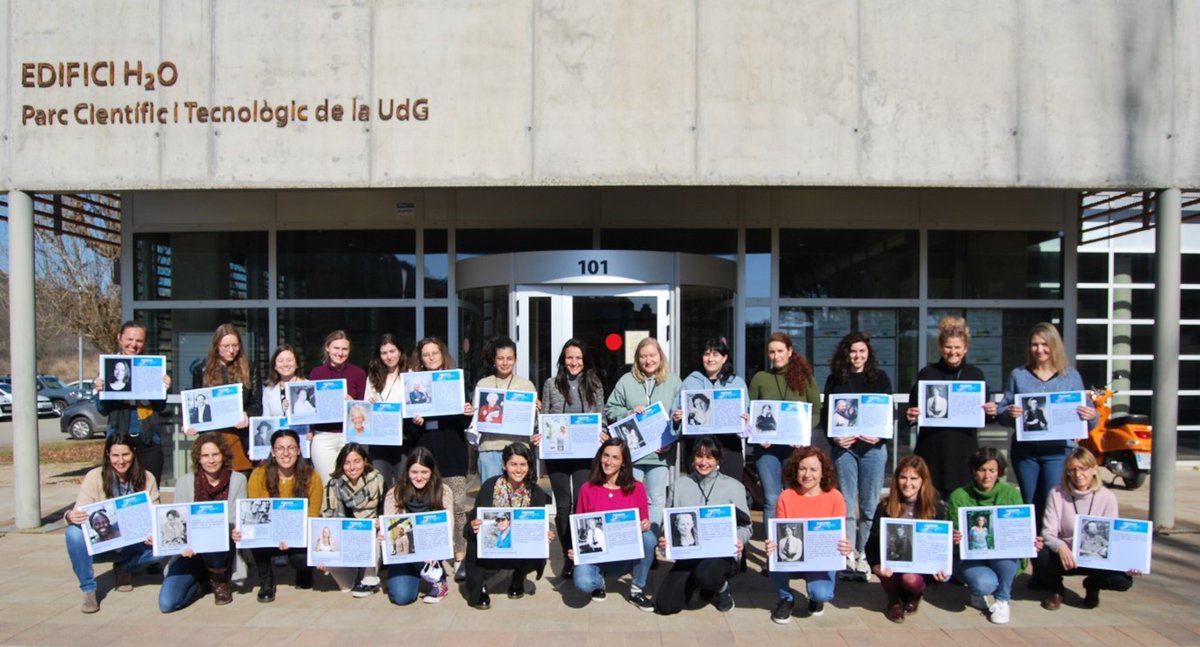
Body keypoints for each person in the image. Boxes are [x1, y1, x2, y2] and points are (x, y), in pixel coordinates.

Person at [996, 323, 1097, 529]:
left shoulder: (1070, 376)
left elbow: (1090, 420)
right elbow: (1001, 411)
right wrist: (1008, 413)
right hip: (1026, 452)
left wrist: (1091, 416)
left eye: (1044, 344)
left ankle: (1050, 551)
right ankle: (1029, 550)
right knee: (1029, 502)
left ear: (1054, 346)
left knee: (1053, 501)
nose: (1039, 349)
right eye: (1034, 344)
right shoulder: (1019, 375)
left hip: (1059, 451)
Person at [821, 331, 893, 582]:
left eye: (862, 351)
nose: (857, 356)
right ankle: (848, 553)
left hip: (873, 449)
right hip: (846, 449)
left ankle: (865, 554)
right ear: (846, 354)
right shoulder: (835, 379)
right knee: (847, 504)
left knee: (870, 505)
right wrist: (835, 438)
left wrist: (880, 437)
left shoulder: (880, 378)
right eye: (853, 351)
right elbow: (826, 415)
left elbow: (888, 414)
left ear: (868, 354)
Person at [64, 432, 162, 613]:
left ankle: (125, 568)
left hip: (134, 541)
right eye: (115, 455)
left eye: (125, 454)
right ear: (108, 455)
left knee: (162, 548)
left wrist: (154, 534)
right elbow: (81, 510)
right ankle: (88, 589)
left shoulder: (147, 478)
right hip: (104, 543)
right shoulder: (94, 476)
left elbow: (155, 516)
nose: (121, 461)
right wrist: (70, 516)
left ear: (134, 453)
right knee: (73, 533)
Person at [534, 338, 606, 580]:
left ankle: (583, 553)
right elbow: (543, 417)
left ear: (584, 361)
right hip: (558, 454)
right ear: (563, 360)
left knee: (581, 505)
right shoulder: (551, 383)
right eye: (569, 357)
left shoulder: (594, 384)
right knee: (563, 506)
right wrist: (539, 432)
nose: (573, 362)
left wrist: (602, 431)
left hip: (586, 454)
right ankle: (568, 556)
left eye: (578, 358)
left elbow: (601, 416)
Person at [653, 437, 750, 615]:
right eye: (699, 456)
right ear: (692, 458)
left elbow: (746, 526)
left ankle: (722, 589)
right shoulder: (679, 486)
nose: (704, 462)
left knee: (707, 575)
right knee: (665, 606)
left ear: (718, 459)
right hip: (689, 554)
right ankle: (701, 584)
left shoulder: (734, 487)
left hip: (722, 554)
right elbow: (666, 522)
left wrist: (739, 539)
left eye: (709, 457)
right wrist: (664, 537)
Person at [406, 336, 474, 582]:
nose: (431, 357)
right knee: (429, 507)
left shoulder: (454, 381)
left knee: (457, 507)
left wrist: (467, 413)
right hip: (425, 456)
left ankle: (459, 557)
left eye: (435, 353)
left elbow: (463, 423)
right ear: (420, 359)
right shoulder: (414, 385)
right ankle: (430, 557)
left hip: (453, 452)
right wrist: (416, 422)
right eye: (426, 354)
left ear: (442, 354)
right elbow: (410, 432)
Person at [906, 316, 997, 498]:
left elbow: (984, 417)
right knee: (930, 499)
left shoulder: (975, 374)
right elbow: (912, 410)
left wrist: (991, 412)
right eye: (948, 347)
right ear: (940, 347)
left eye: (957, 347)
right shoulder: (927, 374)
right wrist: (911, 414)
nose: (952, 352)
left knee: (961, 498)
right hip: (932, 448)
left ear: (965, 349)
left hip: (963, 448)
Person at [1035, 447, 1137, 610]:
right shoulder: (1057, 493)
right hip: (1065, 556)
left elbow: (1112, 537)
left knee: (1123, 581)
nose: (1077, 474)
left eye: (1083, 469)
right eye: (1072, 470)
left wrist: (1128, 563)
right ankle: (1056, 590)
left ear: (1094, 469)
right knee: (1037, 552)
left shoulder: (1107, 497)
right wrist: (1060, 546)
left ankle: (1093, 585)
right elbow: (1048, 531)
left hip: (1095, 557)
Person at [947, 447, 1040, 625]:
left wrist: (1029, 540)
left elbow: (1019, 530)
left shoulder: (1011, 494)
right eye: (982, 470)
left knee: (1006, 557)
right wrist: (955, 537)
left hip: (1002, 557)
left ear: (999, 472)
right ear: (974, 471)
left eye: (992, 470)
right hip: (971, 558)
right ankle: (977, 591)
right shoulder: (959, 495)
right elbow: (954, 536)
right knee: (985, 584)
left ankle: (1002, 600)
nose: (987, 476)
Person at [158, 432, 247, 612]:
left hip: (221, 548)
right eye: (205, 455)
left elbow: (236, 518)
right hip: (192, 551)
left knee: (217, 538)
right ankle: (204, 582)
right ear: (198, 458)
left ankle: (219, 580)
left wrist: (237, 530)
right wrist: (184, 542)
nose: (211, 460)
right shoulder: (185, 482)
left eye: (215, 454)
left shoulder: (238, 480)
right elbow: (178, 518)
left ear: (223, 455)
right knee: (168, 603)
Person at [764, 447, 852, 624]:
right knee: (773, 556)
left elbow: (839, 534)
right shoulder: (786, 496)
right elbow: (782, 530)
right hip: (794, 554)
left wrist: (846, 546)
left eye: (813, 469)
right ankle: (785, 599)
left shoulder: (835, 497)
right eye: (802, 468)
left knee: (822, 594)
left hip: (820, 556)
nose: (807, 474)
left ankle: (815, 598)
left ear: (822, 473)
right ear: (795, 471)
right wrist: (773, 544)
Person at [605, 337, 682, 537]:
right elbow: (610, 408)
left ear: (660, 357)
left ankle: (650, 542)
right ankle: (632, 540)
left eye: (652, 355)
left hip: (661, 453)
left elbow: (682, 416)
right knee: (630, 497)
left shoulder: (673, 381)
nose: (648, 360)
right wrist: (627, 413)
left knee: (656, 499)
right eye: (643, 356)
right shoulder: (626, 381)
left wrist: (674, 436)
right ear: (637, 359)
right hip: (633, 453)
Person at [570, 438, 658, 611]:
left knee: (649, 538)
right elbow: (579, 527)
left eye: (615, 457)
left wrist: (645, 525)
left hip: (623, 555)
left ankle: (636, 589)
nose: (609, 462)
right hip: (597, 555)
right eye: (606, 456)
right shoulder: (587, 489)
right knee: (583, 583)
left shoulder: (637, 488)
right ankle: (599, 581)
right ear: (599, 457)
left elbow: (643, 522)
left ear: (623, 462)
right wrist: (578, 550)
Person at [235, 428, 321, 603]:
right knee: (255, 539)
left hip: (298, 535)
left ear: (298, 450)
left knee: (302, 560)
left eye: (291, 447)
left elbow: (312, 516)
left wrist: (291, 535)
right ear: (273, 452)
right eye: (280, 448)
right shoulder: (259, 475)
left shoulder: (312, 477)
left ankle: (303, 573)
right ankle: (266, 582)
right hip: (269, 534)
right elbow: (256, 515)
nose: (286, 453)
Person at [749, 332, 822, 538]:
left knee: (795, 496)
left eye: (780, 351)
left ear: (789, 352)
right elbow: (750, 412)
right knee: (771, 499)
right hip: (767, 449)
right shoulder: (760, 378)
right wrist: (755, 433)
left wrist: (803, 433)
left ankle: (796, 549)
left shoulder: (805, 378)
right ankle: (773, 553)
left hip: (796, 450)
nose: (775, 356)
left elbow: (816, 410)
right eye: (771, 352)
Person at [464, 443, 552, 609]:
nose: (518, 470)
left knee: (539, 546)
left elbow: (539, 525)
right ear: (504, 465)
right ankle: (479, 588)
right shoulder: (490, 486)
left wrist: (544, 534)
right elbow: (470, 525)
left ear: (529, 466)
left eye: (523, 465)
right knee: (475, 542)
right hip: (493, 544)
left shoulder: (536, 492)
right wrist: (473, 526)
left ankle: (518, 577)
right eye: (513, 464)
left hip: (519, 545)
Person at [865, 455, 948, 623]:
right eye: (903, 477)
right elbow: (872, 542)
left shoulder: (935, 508)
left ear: (923, 480)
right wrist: (875, 565)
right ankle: (894, 601)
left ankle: (915, 595)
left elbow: (942, 545)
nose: (907, 483)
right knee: (887, 570)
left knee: (910, 580)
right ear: (896, 479)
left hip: (920, 567)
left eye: (914, 478)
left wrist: (943, 567)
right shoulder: (885, 506)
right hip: (893, 563)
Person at [93, 321, 172, 483]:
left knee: (149, 492)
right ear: (119, 338)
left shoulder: (152, 368)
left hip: (149, 441)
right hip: (119, 442)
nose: (133, 345)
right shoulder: (109, 368)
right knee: (118, 493)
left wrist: (163, 389)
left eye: (139, 341)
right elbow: (102, 409)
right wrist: (101, 390)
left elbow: (160, 407)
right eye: (129, 339)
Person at [382, 446, 455, 605]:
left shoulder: (444, 491)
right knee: (402, 597)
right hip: (403, 552)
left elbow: (448, 529)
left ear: (431, 472)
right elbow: (391, 528)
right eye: (414, 472)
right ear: (407, 472)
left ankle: (438, 580)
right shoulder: (395, 493)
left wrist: (436, 552)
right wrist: (384, 534)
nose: (419, 477)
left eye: (424, 472)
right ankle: (417, 573)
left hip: (431, 552)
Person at [672, 338, 750, 483]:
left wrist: (746, 421)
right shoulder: (690, 382)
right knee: (700, 494)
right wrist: (677, 419)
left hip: (729, 448)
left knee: (730, 493)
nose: (710, 358)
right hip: (697, 447)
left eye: (715, 354)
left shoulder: (736, 383)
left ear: (724, 358)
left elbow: (747, 415)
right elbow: (676, 417)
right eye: (707, 354)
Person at [188, 323, 260, 473]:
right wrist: (191, 422)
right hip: (211, 439)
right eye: (225, 346)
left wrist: (247, 413)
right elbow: (196, 402)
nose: (231, 350)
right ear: (216, 346)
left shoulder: (250, 367)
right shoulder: (201, 370)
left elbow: (257, 403)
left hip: (240, 438)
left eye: (235, 345)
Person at [320, 442, 384, 597]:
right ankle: (355, 574)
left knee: (375, 541)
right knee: (345, 586)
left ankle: (368, 580)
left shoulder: (378, 480)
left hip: (372, 537)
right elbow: (329, 519)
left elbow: (384, 510)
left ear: (365, 461)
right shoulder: (333, 485)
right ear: (341, 465)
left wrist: (381, 524)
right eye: (347, 463)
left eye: (357, 461)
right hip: (346, 539)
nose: (352, 467)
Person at [474, 337, 538, 484]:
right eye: (500, 358)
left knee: (519, 497)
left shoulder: (526, 385)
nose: (505, 363)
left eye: (509, 358)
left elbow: (534, 422)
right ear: (493, 360)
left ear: (515, 359)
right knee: (491, 498)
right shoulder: (483, 384)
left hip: (518, 451)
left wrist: (535, 411)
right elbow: (476, 419)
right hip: (489, 449)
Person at [308, 330, 367, 483]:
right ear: (327, 348)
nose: (340, 353)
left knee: (350, 483)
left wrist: (353, 404)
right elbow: (310, 407)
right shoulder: (316, 373)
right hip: (323, 437)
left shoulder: (358, 373)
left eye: (344, 349)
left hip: (349, 436)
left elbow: (364, 407)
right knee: (328, 483)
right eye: (336, 348)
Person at [365, 334, 408, 490]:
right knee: (381, 485)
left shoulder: (409, 374)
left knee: (403, 485)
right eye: (384, 353)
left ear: (400, 352)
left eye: (392, 351)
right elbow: (367, 407)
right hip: (380, 439)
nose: (389, 356)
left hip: (403, 438)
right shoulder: (372, 378)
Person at [261, 343, 307, 441]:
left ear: (297, 364)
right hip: (278, 443)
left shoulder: (308, 385)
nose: (285, 364)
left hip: (304, 439)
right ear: (275, 366)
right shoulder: (269, 390)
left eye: (289, 360)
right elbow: (266, 418)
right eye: (280, 361)